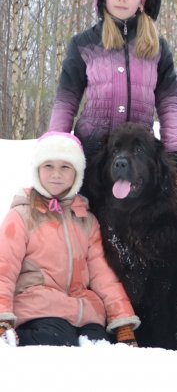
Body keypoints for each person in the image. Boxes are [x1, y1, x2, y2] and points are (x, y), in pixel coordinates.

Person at [0, 132, 140, 347]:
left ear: (77, 173)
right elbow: (4, 269)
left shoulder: (86, 220)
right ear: (37, 170)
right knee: (57, 339)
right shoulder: (22, 215)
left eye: (65, 167)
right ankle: (13, 342)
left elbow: (103, 276)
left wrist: (122, 322)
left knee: (98, 343)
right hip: (37, 308)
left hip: (83, 310)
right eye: (48, 166)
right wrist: (2, 317)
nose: (56, 174)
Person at [48, 0, 177, 169]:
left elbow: (169, 105)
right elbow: (66, 102)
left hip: (139, 158)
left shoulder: (158, 48)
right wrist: (55, 149)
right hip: (93, 154)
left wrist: (174, 155)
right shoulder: (84, 43)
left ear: (142, 1)